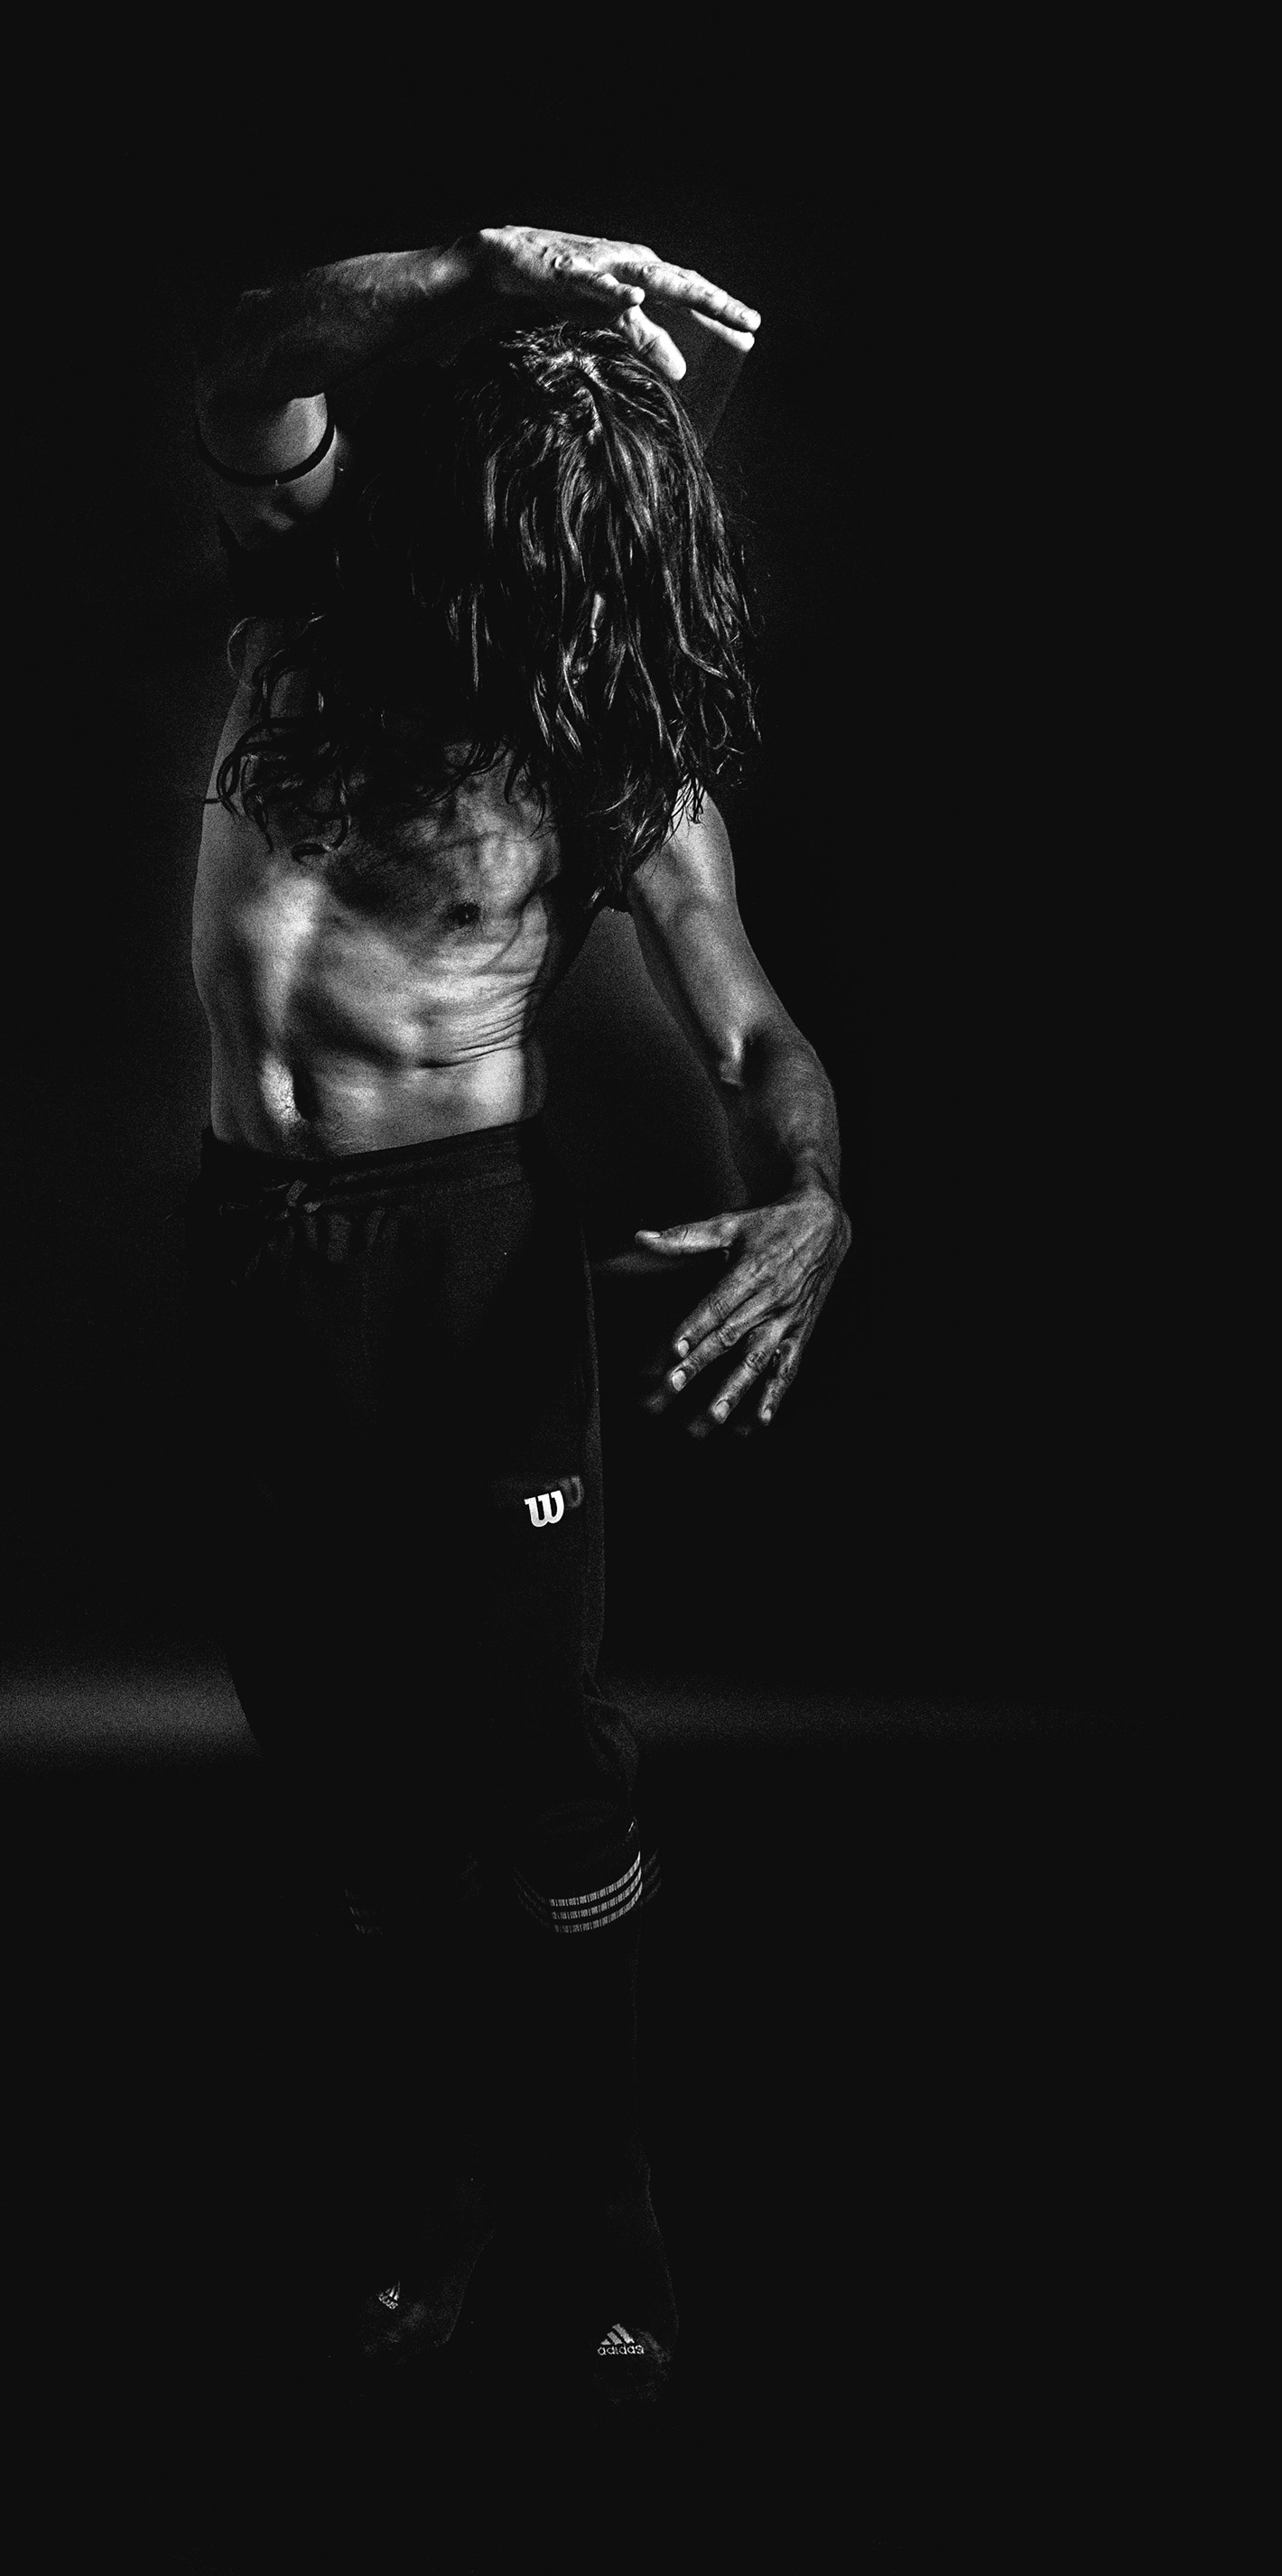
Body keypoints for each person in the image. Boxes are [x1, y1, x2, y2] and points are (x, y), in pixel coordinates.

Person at [185, 227, 849, 2402]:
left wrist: (811, 1197)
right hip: (257, 1252)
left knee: (539, 1762)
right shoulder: (299, 604)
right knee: (340, 1757)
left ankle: (611, 2211)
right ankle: (439, 2186)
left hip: (467, 1254)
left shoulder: (597, 759)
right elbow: (258, 355)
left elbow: (753, 1030)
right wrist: (486, 261)